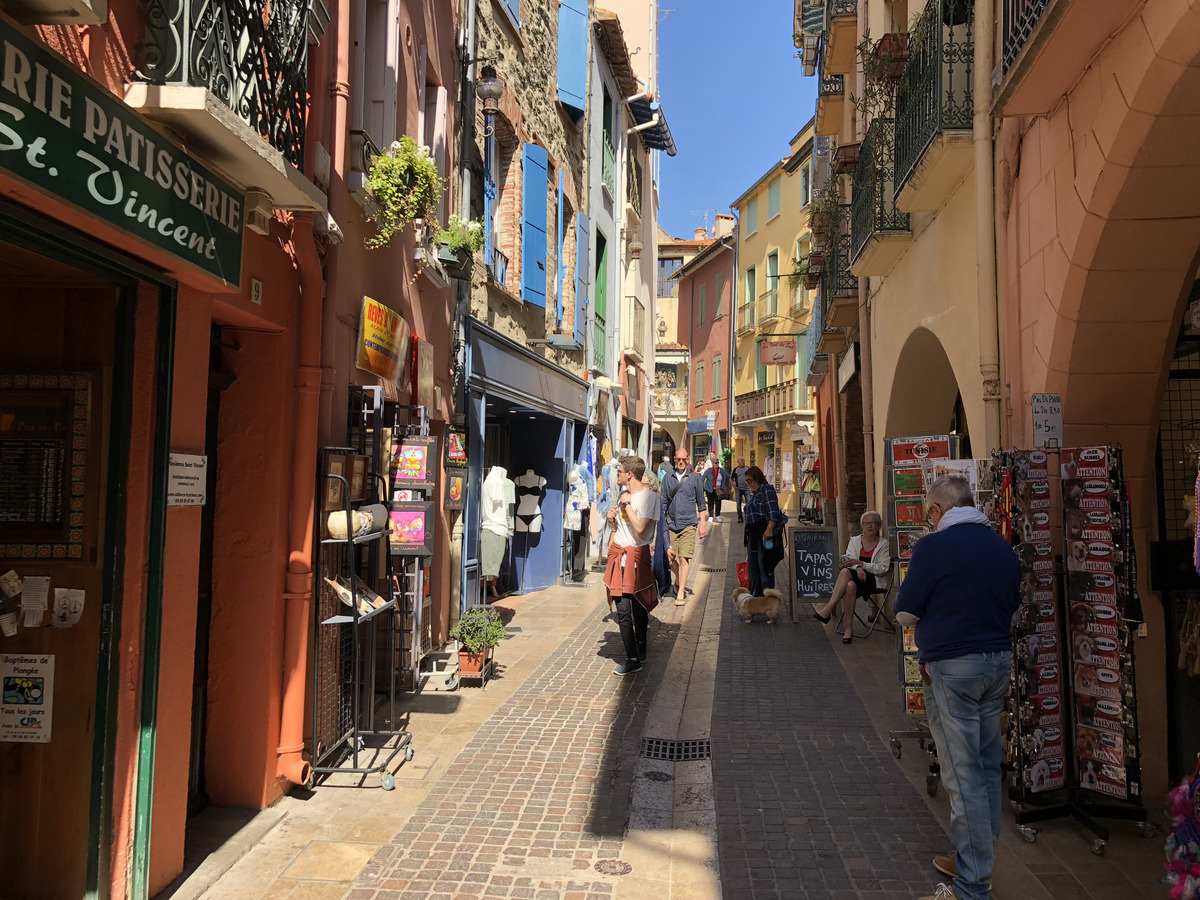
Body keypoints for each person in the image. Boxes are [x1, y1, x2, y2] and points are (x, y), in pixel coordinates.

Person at [894, 476, 1021, 900]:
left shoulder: (934, 546)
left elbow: (905, 613)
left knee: (962, 771)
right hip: (997, 663)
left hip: (953, 668)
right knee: (986, 767)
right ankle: (973, 859)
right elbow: (1015, 608)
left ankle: (972, 884)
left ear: (936, 510)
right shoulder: (1002, 547)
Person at [602, 456, 660, 676]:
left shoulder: (650, 498)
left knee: (640, 607)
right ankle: (632, 658)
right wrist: (612, 519)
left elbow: (641, 529)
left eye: (620, 470)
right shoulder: (622, 496)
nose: (617, 473)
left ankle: (641, 645)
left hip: (638, 557)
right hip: (620, 556)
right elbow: (621, 528)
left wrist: (627, 505)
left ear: (629, 474)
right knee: (623, 610)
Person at [814, 510, 890, 644]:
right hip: (855, 577)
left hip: (874, 580)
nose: (870, 526)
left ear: (878, 525)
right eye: (866, 523)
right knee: (849, 586)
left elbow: (882, 568)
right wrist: (859, 568)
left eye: (873, 523)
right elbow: (850, 560)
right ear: (862, 526)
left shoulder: (883, 544)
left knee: (845, 573)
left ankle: (829, 608)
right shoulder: (855, 541)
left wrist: (862, 564)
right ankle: (848, 629)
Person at [660, 447, 707, 607]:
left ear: (688, 460)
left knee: (683, 559)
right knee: (670, 559)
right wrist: (660, 524)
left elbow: (701, 503)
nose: (681, 462)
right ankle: (679, 579)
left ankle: (680, 592)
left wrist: (702, 525)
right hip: (671, 524)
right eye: (678, 459)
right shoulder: (667, 478)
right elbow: (664, 502)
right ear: (674, 459)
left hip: (689, 523)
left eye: (684, 459)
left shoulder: (695, 478)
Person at [742, 465, 787, 595]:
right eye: (746, 481)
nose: (748, 483)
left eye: (749, 480)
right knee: (753, 567)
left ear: (757, 478)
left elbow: (773, 512)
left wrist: (769, 529)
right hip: (754, 535)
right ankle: (756, 596)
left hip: (764, 534)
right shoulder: (756, 492)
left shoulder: (767, 490)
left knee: (764, 567)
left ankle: (767, 599)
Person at [701, 453, 728, 523]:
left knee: (718, 502)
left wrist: (733, 483)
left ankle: (718, 515)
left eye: (718, 463)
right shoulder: (709, 471)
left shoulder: (722, 471)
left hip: (718, 489)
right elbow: (702, 478)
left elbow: (728, 477)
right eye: (715, 463)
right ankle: (710, 516)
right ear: (712, 463)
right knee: (710, 502)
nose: (717, 464)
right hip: (710, 489)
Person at [732, 457, 750, 523]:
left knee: (748, 503)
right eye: (742, 460)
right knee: (738, 503)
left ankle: (748, 517)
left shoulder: (747, 469)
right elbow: (731, 478)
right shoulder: (736, 469)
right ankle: (740, 517)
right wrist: (733, 484)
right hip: (738, 489)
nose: (743, 461)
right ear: (738, 462)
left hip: (747, 489)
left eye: (744, 460)